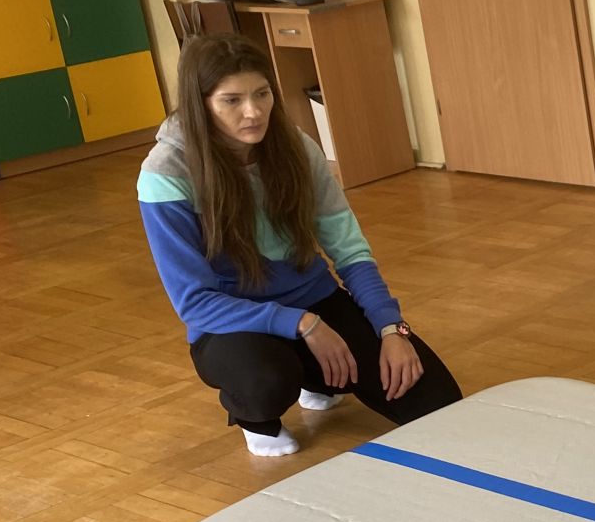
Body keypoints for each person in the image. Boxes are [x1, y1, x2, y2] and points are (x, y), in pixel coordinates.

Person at [138, 34, 461, 456]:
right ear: (200, 105)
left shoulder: (296, 147)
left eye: (262, 94)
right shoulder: (166, 173)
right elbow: (195, 302)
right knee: (265, 380)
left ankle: (315, 375)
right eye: (231, 100)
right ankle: (255, 418)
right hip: (232, 324)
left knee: (440, 402)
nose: (254, 112)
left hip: (313, 301)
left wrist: (390, 328)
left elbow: (350, 251)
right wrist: (302, 324)